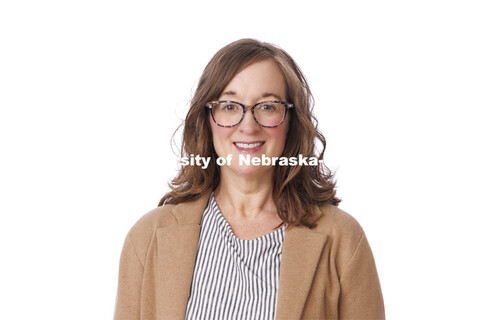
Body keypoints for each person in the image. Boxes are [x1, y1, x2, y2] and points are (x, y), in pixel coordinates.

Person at [113, 39, 385, 320]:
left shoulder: (342, 240)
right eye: (230, 106)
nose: (248, 126)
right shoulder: (147, 238)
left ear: (291, 120)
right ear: (207, 118)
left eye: (267, 107)